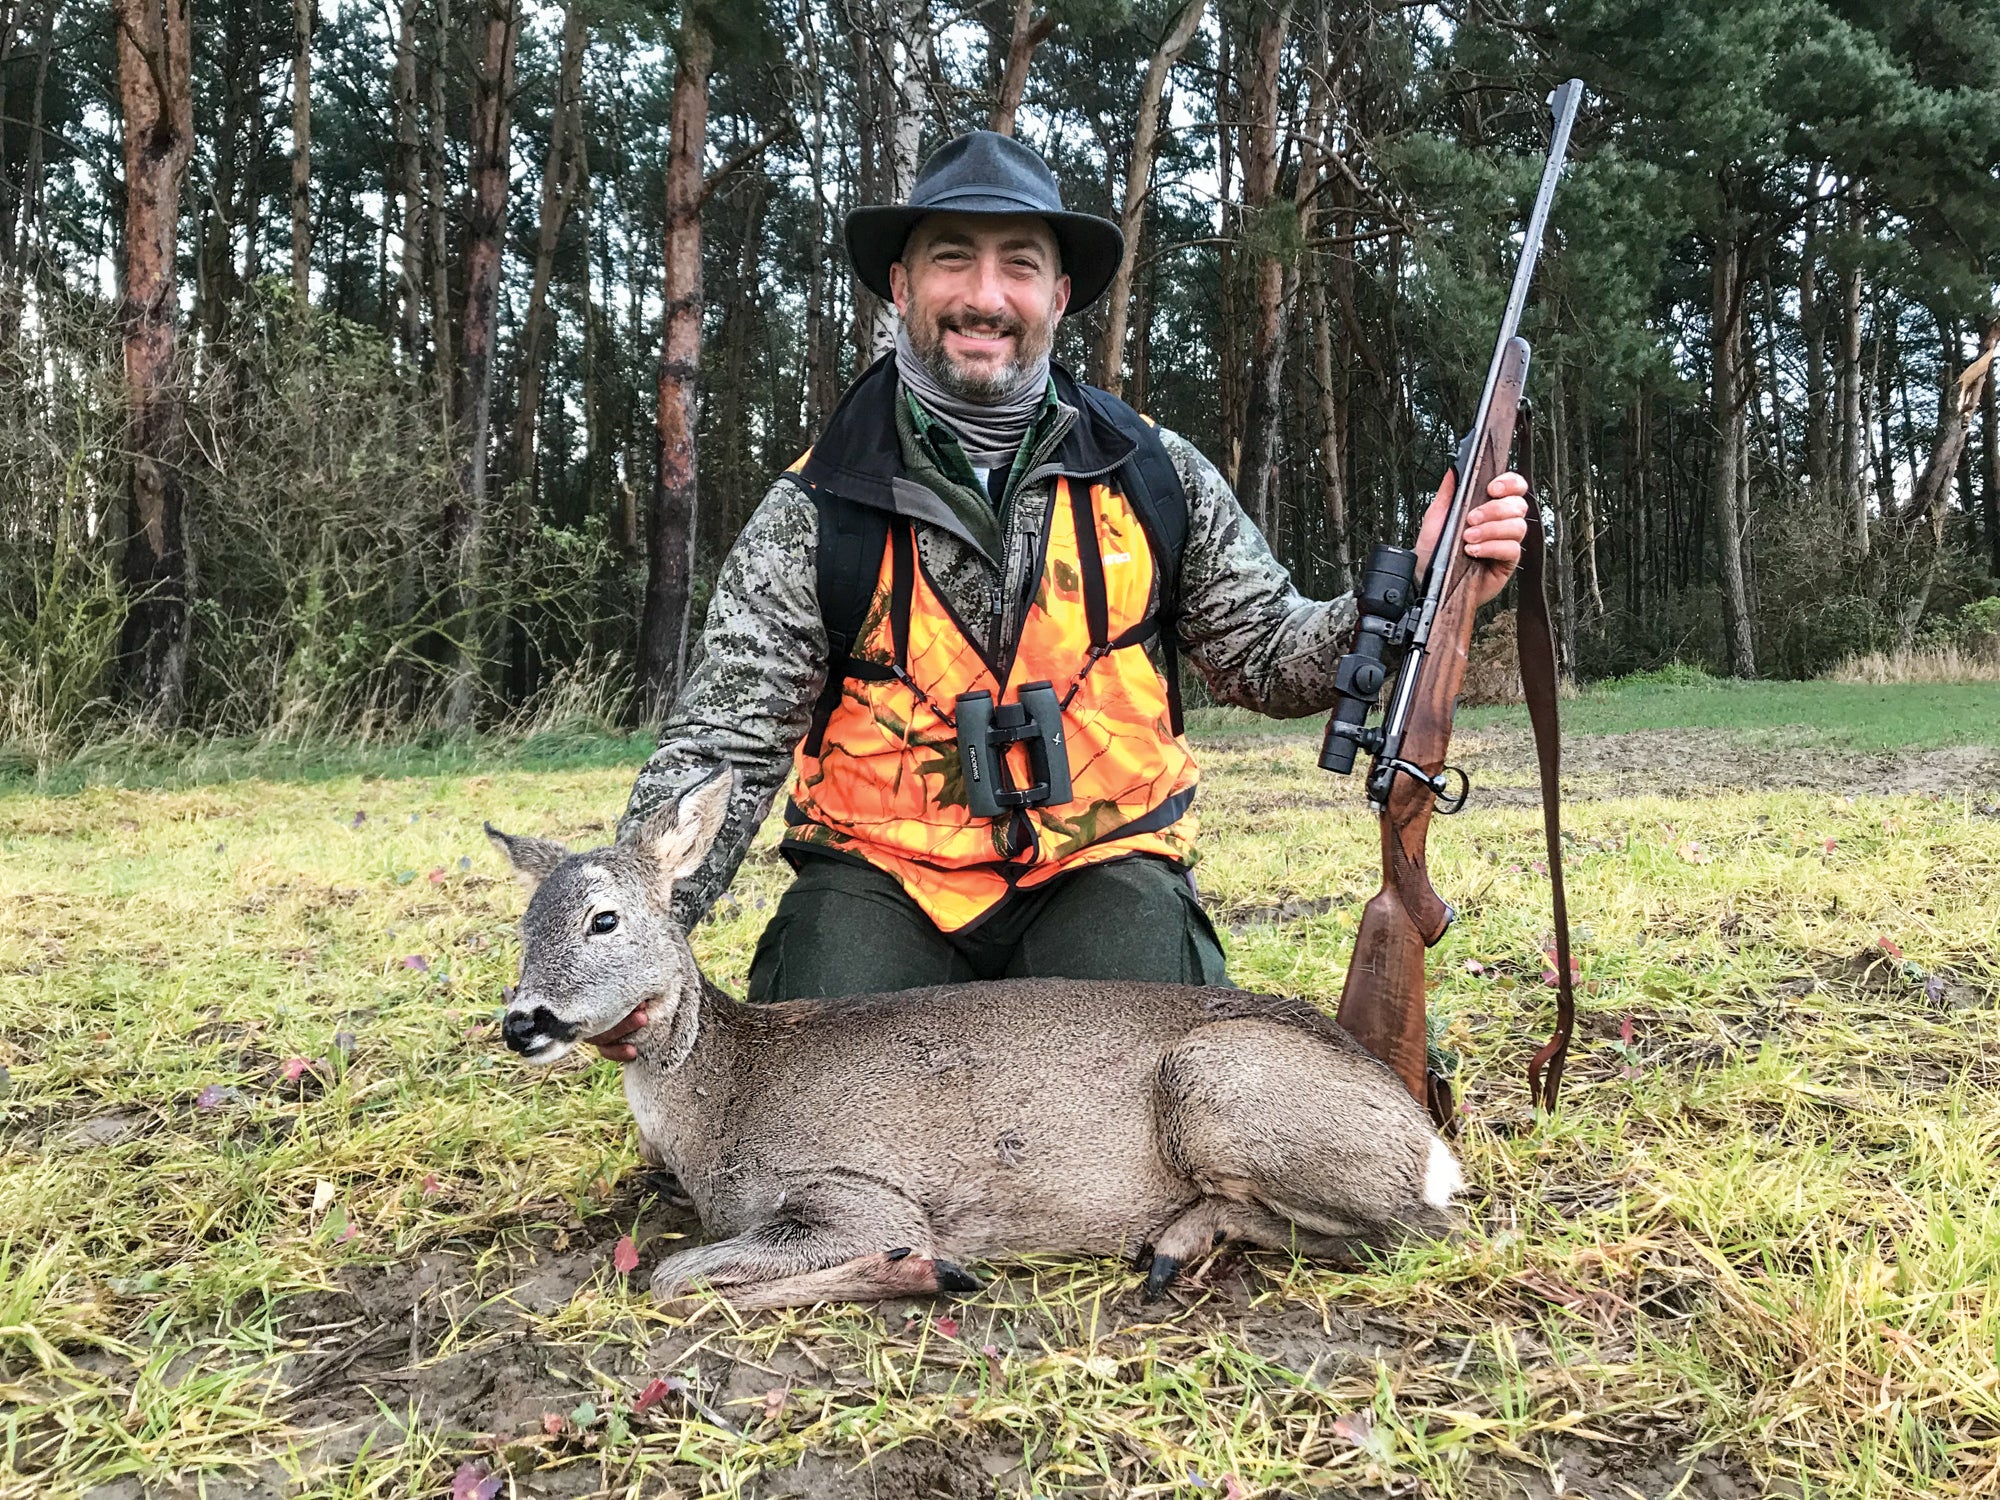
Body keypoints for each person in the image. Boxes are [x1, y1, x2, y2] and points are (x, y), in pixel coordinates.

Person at [589, 130, 1528, 1061]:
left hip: (1103, 862)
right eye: (951, 259)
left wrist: (1418, 585)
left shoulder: (1153, 473)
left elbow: (1266, 654)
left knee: (1165, 1085)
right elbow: (727, 741)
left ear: (1060, 295)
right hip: (880, 877)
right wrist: (626, 946)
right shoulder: (813, 508)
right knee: (804, 1101)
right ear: (902, 286)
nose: (985, 295)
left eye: (1020, 265)